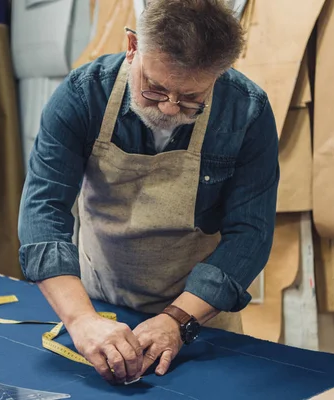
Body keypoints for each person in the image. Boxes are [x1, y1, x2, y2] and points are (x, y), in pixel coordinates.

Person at [17, 0, 279, 385]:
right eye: (155, 89)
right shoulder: (81, 96)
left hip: (199, 319)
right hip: (99, 302)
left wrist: (177, 320)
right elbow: (44, 211)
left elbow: (250, 234)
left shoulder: (247, 112)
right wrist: (81, 320)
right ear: (132, 46)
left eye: (192, 98)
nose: (171, 109)